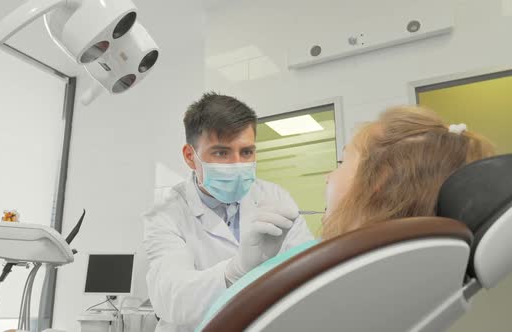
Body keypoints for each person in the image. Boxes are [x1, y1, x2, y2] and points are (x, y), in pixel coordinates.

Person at [197, 105, 495, 330]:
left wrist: (241, 272)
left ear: (379, 179)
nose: (329, 176)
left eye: (342, 162)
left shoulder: (340, 264)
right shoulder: (399, 267)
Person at [143, 92, 314, 332]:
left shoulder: (275, 197)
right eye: (221, 153)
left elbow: (307, 276)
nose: (238, 164)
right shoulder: (166, 212)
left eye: (246, 152)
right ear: (191, 157)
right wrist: (235, 272)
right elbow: (169, 298)